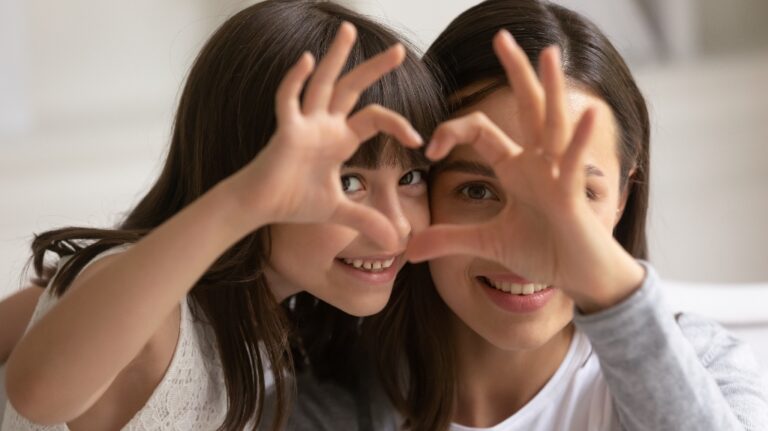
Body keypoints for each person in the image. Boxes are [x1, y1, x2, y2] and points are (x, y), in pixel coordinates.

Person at [273, 1, 768, 430]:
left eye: (572, 197)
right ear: (419, 187)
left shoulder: (708, 366)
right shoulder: (331, 403)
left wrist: (612, 291)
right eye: (477, 190)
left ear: (623, 197)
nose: (527, 246)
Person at [0, 1, 444, 430]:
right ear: (242, 169)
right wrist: (242, 202)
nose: (396, 227)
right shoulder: (160, 322)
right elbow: (36, 394)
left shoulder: (269, 329)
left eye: (411, 177)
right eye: (348, 182)